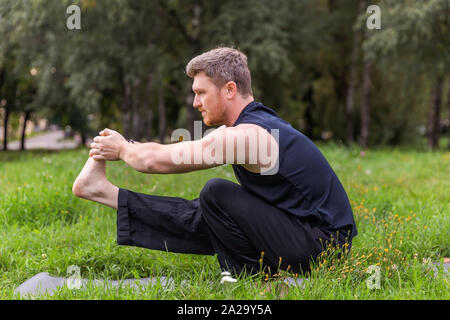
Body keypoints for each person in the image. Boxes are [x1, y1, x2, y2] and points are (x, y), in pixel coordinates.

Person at [72, 47, 357, 278]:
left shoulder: (249, 136)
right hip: (307, 236)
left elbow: (153, 161)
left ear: (230, 89)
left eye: (201, 92)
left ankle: (259, 281)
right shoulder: (256, 124)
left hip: (322, 246)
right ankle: (104, 192)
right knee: (209, 211)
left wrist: (121, 148)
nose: (196, 102)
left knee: (216, 195)